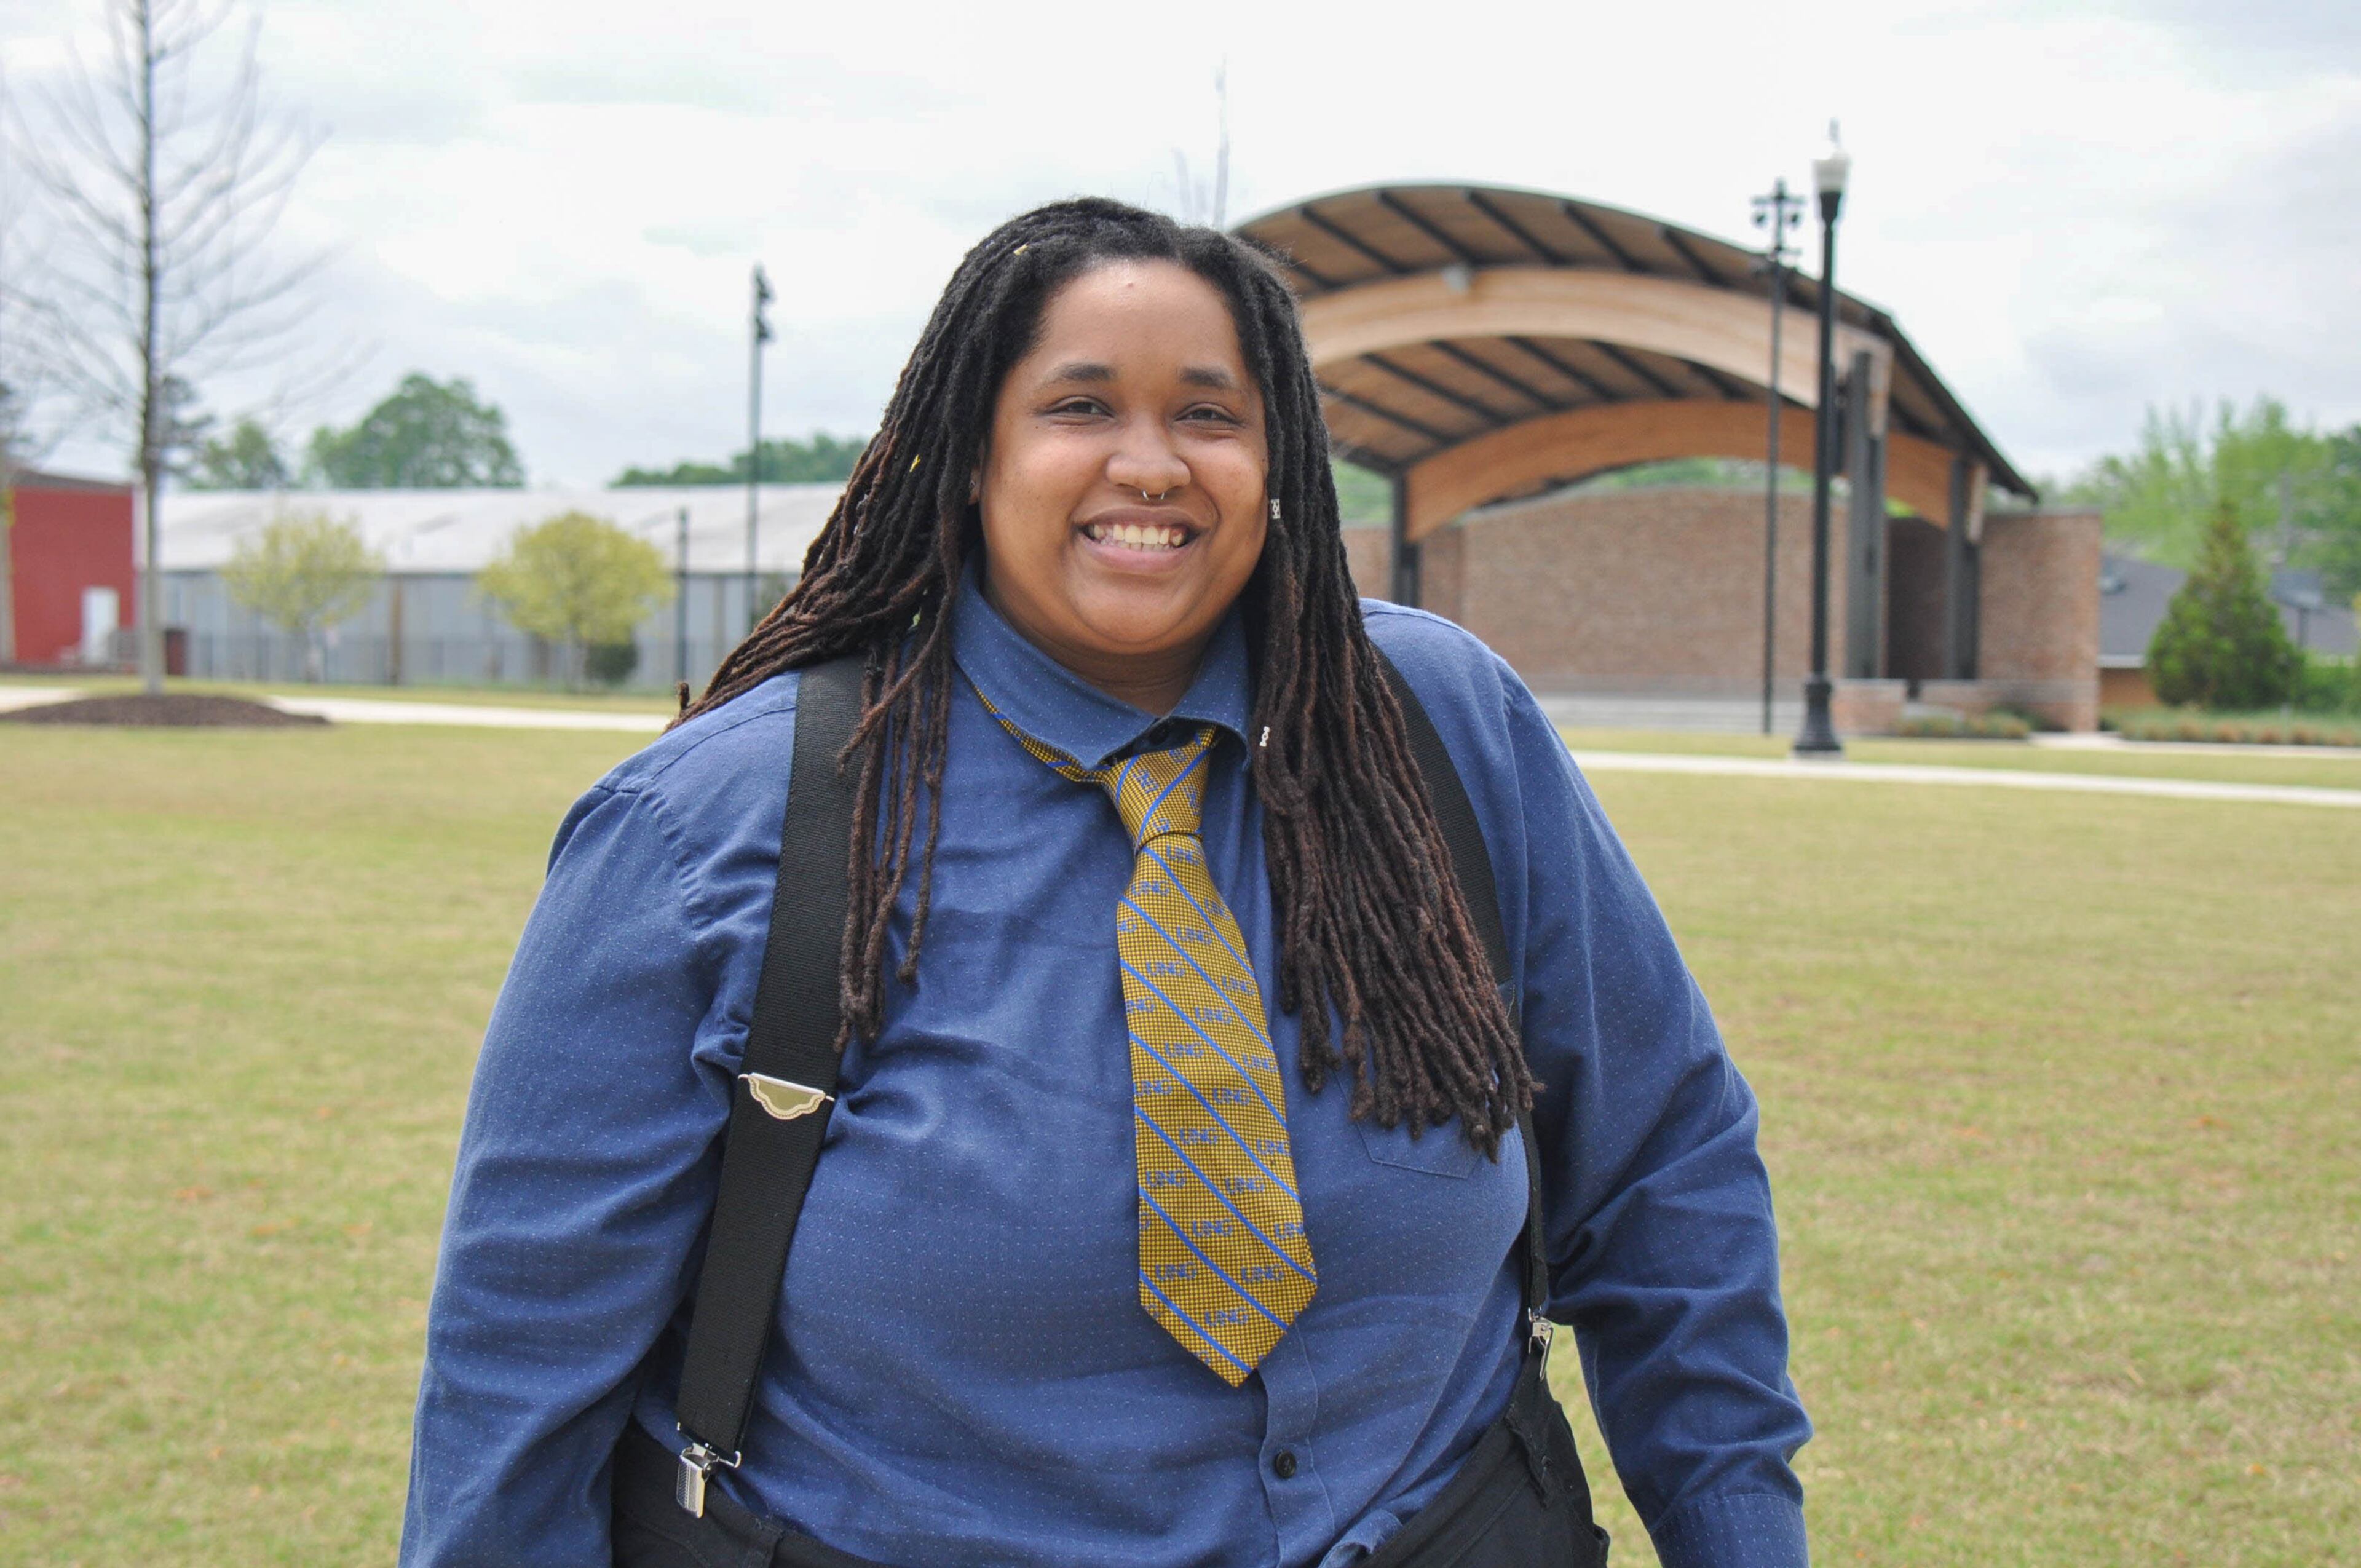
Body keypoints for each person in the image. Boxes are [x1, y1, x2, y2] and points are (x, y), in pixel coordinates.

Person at [401, 197, 1809, 1568]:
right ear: (969, 453)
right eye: (1079, 408)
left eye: (1209, 413)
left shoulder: (1442, 732)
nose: (1152, 463)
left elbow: (1665, 1173)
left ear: (1281, 466)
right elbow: (519, 1373)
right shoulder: (709, 824)